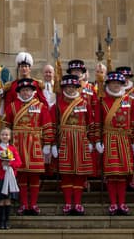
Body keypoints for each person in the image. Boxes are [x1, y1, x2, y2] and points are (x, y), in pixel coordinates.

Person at [2, 77, 51, 215]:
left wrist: (48, 143)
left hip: (35, 144)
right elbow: (6, 125)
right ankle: (24, 204)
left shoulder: (40, 106)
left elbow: (47, 125)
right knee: (22, 176)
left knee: (35, 176)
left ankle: (33, 204)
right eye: (23, 90)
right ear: (19, 92)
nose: (26, 93)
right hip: (18, 144)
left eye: (28, 90)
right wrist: (6, 143)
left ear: (33, 92)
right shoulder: (12, 106)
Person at [98, 69, 134, 215]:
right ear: (108, 84)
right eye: (113, 83)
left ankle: (121, 203)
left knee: (122, 174)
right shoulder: (102, 100)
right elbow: (97, 123)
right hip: (109, 139)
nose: (116, 85)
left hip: (124, 140)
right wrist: (97, 141)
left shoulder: (130, 101)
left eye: (118, 83)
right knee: (111, 174)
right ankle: (113, 203)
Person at [55, 72, 97, 215]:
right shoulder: (58, 103)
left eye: (73, 87)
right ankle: (68, 203)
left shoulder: (84, 103)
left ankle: (77, 203)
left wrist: (92, 140)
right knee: (66, 173)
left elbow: (91, 123)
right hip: (65, 140)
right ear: (64, 88)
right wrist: (52, 143)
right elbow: (54, 124)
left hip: (81, 140)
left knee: (80, 173)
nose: (70, 89)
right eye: (68, 87)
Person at [0, 124, 20, 230]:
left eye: (7, 135)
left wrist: (10, 163)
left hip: (10, 178)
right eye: (3, 134)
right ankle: (1, 221)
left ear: (10, 137)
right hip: (0, 177)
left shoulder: (13, 149)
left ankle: (7, 221)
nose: (4, 136)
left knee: (8, 200)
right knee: (0, 200)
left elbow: (19, 163)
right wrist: (1, 163)